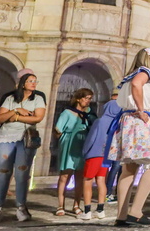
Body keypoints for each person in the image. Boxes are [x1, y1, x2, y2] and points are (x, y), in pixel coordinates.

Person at [107, 47, 150, 226]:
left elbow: (134, 89)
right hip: (140, 122)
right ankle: (136, 210)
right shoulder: (144, 72)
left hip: (128, 121)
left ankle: (122, 215)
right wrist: (142, 110)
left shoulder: (132, 74)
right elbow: (136, 85)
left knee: (129, 169)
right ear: (148, 60)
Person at [0, 72, 46, 223]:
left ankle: (21, 207)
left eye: (35, 81)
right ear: (22, 83)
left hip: (25, 139)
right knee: (3, 172)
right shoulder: (10, 98)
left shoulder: (38, 98)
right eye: (30, 81)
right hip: (6, 138)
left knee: (21, 174)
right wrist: (16, 110)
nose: (33, 83)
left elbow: (37, 117)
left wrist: (16, 118)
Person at [78, 95, 121, 220]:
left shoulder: (100, 121)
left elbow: (91, 138)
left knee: (87, 181)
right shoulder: (117, 123)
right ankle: (100, 210)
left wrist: (85, 151)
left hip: (94, 154)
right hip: (106, 155)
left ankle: (87, 211)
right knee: (101, 181)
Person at [54, 87, 93, 216]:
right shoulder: (67, 112)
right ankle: (60, 205)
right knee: (65, 175)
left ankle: (76, 204)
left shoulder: (88, 114)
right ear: (78, 98)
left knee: (80, 177)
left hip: (82, 145)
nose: (88, 101)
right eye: (86, 98)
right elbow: (58, 129)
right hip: (69, 144)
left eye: (90, 99)